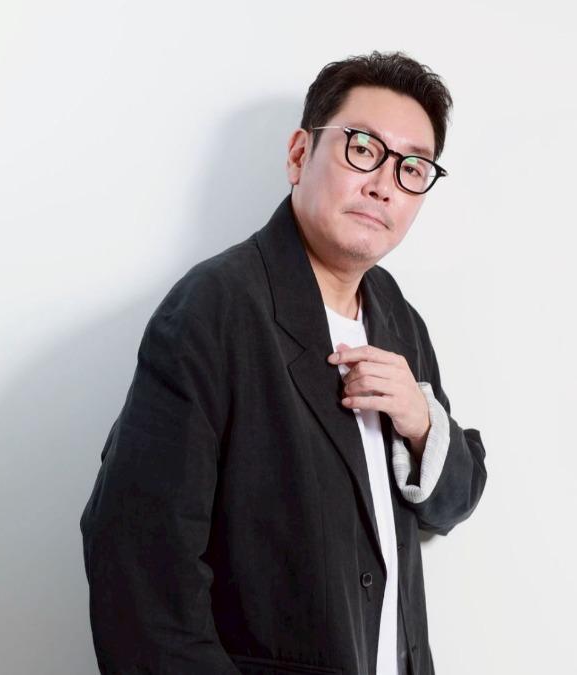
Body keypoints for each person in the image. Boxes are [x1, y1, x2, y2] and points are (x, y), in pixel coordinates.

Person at [80, 50, 487, 675]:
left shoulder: (400, 319)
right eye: (362, 148)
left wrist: (423, 423)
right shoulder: (215, 307)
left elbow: (455, 500)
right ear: (300, 155)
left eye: (412, 168)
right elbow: (138, 570)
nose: (384, 184)